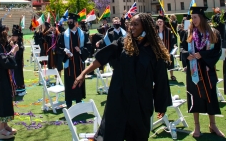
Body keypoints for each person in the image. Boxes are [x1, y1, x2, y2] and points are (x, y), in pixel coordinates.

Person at [73, 13, 172, 141]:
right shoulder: (123, 43)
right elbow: (101, 58)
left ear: (146, 27)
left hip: (140, 102)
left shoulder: (154, 51)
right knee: (112, 133)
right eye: (131, 24)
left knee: (138, 135)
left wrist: (161, 105)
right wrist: (83, 73)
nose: (131, 27)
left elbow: (161, 80)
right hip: (118, 98)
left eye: (136, 24)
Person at [181, 7, 224, 138]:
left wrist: (203, 55)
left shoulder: (213, 33)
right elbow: (182, 49)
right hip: (194, 71)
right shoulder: (188, 33)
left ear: (202, 18)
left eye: (195, 17)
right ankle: (197, 126)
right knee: (195, 96)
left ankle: (213, 124)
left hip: (207, 69)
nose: (192, 20)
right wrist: (186, 55)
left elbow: (217, 51)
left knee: (210, 96)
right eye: (192, 17)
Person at [0, 19, 19, 139]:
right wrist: (13, 52)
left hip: (2, 77)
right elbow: (5, 62)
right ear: (2, 34)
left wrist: (10, 49)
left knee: (6, 99)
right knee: (1, 100)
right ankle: (0, 130)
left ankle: (5, 125)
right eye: (6, 33)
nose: (7, 36)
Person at [57, 13, 90, 108]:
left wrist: (81, 51)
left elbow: (88, 47)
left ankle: (79, 101)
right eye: (68, 22)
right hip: (69, 62)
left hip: (79, 61)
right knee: (69, 82)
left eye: (71, 22)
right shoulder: (63, 35)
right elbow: (58, 48)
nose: (69, 23)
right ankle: (69, 102)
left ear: (76, 23)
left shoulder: (83, 34)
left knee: (79, 79)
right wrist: (65, 51)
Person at [156, 15, 176, 80]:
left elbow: (172, 39)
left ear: (163, 22)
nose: (159, 23)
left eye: (161, 21)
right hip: (158, 50)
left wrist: (173, 46)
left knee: (170, 62)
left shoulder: (168, 30)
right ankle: (160, 75)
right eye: (158, 21)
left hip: (167, 49)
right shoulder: (155, 31)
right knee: (159, 63)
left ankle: (172, 75)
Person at [8, 24, 26, 96]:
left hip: (18, 63)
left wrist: (13, 46)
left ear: (18, 37)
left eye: (14, 36)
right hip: (15, 63)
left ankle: (21, 90)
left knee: (19, 76)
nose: (13, 37)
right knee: (15, 76)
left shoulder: (20, 43)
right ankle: (17, 89)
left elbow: (18, 54)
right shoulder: (15, 42)